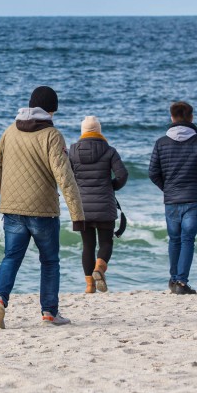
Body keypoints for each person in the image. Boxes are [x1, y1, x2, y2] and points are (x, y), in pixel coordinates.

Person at [0, 85, 84, 329]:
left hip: (12, 209)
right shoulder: (52, 135)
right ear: (52, 110)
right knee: (49, 261)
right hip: (43, 210)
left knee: (11, 257)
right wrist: (77, 214)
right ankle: (49, 313)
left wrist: (6, 195)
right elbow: (64, 176)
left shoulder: (10, 131)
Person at [148, 101, 197, 295]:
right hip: (193, 197)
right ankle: (182, 282)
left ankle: (173, 280)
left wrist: (167, 188)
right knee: (188, 240)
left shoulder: (161, 142)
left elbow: (153, 172)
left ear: (172, 118)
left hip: (171, 198)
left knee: (174, 239)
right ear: (191, 118)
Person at [67, 115, 128, 293]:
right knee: (106, 243)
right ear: (99, 131)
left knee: (87, 246)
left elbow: (67, 177)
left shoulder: (72, 151)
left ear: (83, 132)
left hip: (82, 207)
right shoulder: (109, 151)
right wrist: (112, 187)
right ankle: (99, 268)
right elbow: (122, 175)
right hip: (104, 205)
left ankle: (89, 286)